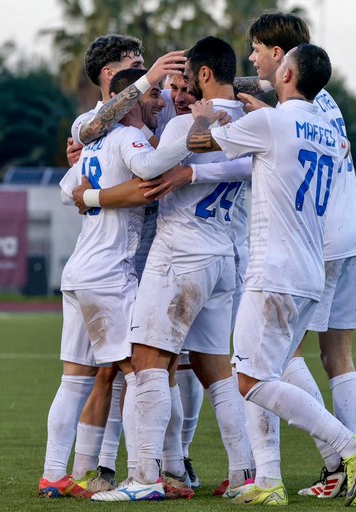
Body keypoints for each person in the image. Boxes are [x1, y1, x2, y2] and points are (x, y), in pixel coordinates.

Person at [185, 43, 356, 507]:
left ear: (288, 72)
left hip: (274, 268)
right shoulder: (329, 132)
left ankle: (351, 447)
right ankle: (269, 480)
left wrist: (201, 113)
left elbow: (198, 144)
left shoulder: (273, 121)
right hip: (310, 270)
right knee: (261, 372)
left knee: (250, 382)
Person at [91, 36, 255, 503]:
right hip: (225, 258)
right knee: (216, 370)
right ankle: (243, 474)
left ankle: (144, 476)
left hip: (182, 256)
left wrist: (192, 126)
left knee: (146, 363)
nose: (174, 97)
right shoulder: (251, 120)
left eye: (183, 84)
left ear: (204, 76)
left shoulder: (190, 123)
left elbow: (145, 169)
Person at [38, 67, 192, 500]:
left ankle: (54, 476)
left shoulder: (94, 139)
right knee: (145, 374)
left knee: (75, 380)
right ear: (133, 99)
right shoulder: (127, 137)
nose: (161, 102)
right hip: (109, 274)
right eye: (156, 94)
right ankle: (148, 476)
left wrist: (90, 197)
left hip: (79, 272)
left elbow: (67, 190)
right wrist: (193, 133)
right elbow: (149, 175)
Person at [240, 11, 356, 499]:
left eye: (257, 48)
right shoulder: (324, 99)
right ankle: (342, 468)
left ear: (282, 59)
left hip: (314, 241)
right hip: (352, 229)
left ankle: (339, 456)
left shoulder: (287, 109)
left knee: (273, 361)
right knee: (338, 356)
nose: (252, 57)